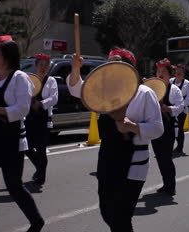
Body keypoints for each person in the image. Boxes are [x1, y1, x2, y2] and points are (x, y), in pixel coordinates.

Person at [67, 48, 164, 231]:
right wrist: (75, 69)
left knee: (121, 216)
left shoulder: (144, 92)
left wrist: (132, 127)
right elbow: (76, 89)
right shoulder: (103, 90)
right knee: (106, 210)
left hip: (133, 163)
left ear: (129, 66)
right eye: (109, 62)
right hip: (108, 158)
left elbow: (158, 128)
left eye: (117, 61)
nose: (111, 66)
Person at [0, 35, 44, 232]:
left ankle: (37, 221)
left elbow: (23, 109)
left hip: (11, 142)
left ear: (8, 55)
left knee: (14, 186)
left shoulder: (20, 78)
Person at [25, 53, 58, 186]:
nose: (43, 68)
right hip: (29, 117)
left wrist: (41, 103)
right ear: (36, 66)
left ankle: (41, 176)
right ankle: (39, 168)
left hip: (43, 119)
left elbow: (54, 98)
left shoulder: (51, 81)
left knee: (41, 149)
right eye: (41, 65)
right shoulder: (30, 79)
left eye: (46, 65)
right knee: (26, 147)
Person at [153, 58, 184, 196]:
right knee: (159, 157)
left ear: (169, 73)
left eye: (163, 71)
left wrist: (168, 108)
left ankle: (171, 185)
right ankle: (166, 183)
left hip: (168, 127)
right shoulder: (151, 88)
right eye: (158, 71)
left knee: (166, 157)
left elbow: (180, 107)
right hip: (154, 126)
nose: (160, 73)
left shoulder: (174, 89)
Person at [170, 64, 189, 154]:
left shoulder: (187, 83)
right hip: (171, 108)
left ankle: (180, 147)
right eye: (177, 71)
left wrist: (181, 106)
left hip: (182, 110)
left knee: (179, 129)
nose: (178, 73)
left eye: (180, 71)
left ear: (183, 73)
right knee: (171, 128)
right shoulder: (171, 81)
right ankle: (171, 146)